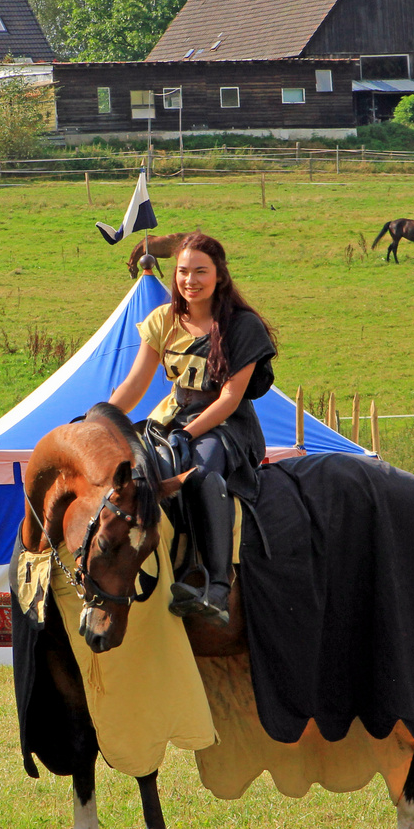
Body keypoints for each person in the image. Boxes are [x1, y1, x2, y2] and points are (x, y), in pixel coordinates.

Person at [110, 233, 276, 624]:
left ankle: (217, 584)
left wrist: (189, 434)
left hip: (227, 426)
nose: (190, 280)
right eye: (183, 271)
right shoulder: (162, 320)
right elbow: (135, 384)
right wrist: (98, 416)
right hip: (171, 418)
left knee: (197, 475)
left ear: (219, 275)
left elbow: (230, 399)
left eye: (200, 271)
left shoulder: (243, 327)